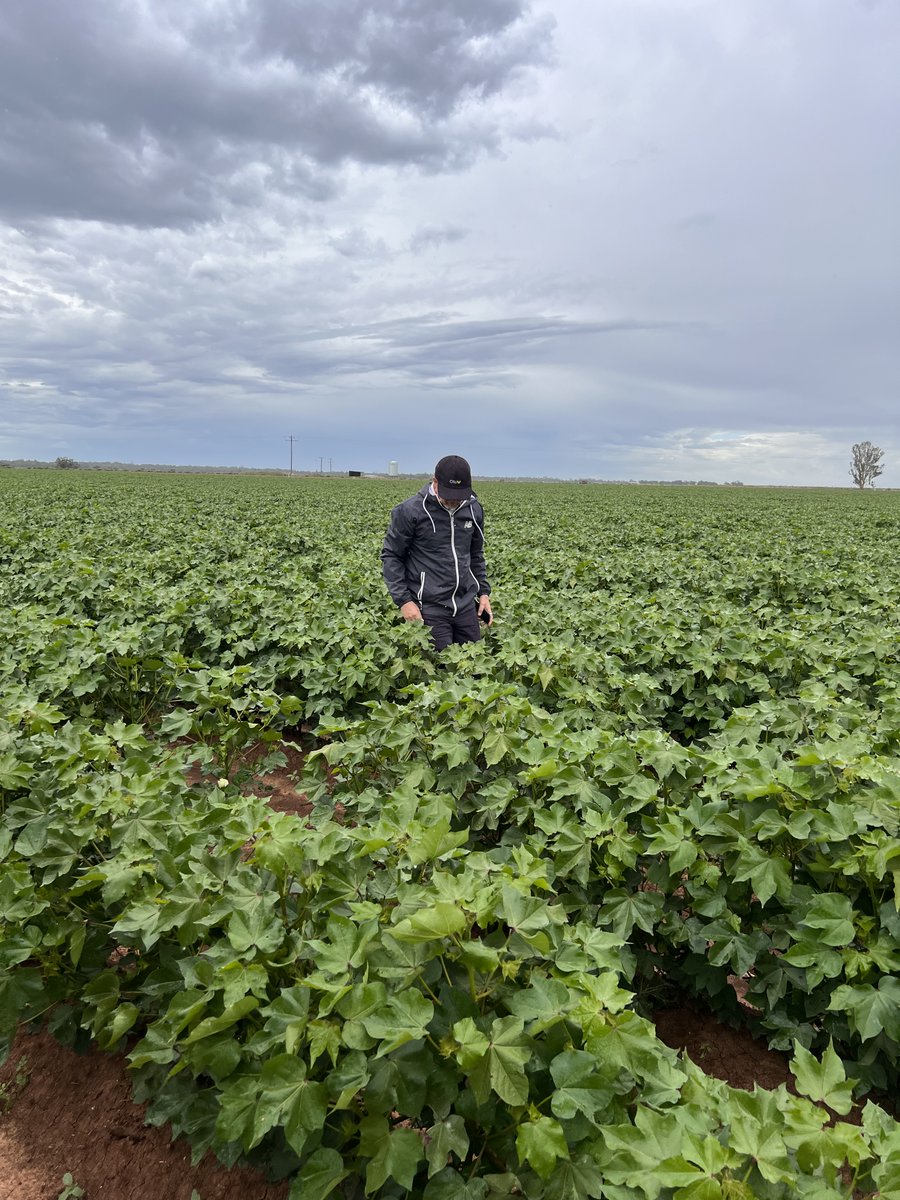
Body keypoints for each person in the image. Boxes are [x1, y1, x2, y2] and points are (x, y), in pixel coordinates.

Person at [381, 455, 493, 650]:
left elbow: (475, 554)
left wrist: (483, 592)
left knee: (474, 668)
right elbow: (392, 556)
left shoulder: (473, 509)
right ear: (435, 482)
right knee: (442, 673)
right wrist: (404, 601)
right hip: (429, 608)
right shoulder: (411, 511)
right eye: (448, 495)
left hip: (465, 606)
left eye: (458, 496)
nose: (453, 502)